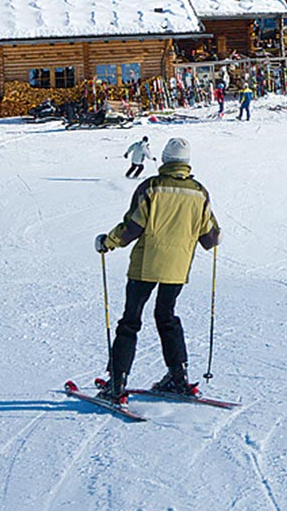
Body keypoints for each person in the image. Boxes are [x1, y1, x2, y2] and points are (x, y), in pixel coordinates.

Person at [94, 137, 221, 401]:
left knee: (130, 321)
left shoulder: (151, 187)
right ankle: (178, 376)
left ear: (164, 159)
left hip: (145, 267)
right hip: (177, 269)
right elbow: (210, 238)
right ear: (186, 163)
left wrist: (108, 242)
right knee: (167, 317)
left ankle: (117, 382)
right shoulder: (200, 192)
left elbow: (132, 227)